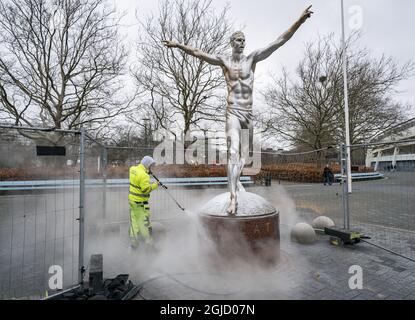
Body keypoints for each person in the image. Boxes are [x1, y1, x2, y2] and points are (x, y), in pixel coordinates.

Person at [163, 6, 313, 214]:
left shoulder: (252, 58)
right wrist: (179, 45)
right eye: (238, 40)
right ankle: (233, 197)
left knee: (244, 156)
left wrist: (300, 20)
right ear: (231, 42)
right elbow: (198, 53)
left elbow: (279, 41)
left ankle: (237, 182)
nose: (242, 44)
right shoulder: (224, 61)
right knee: (233, 151)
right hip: (233, 111)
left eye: (244, 40)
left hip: (248, 114)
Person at [128, 156, 159, 248]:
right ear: (147, 165)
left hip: (132, 201)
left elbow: (138, 180)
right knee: (144, 223)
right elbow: (146, 190)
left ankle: (134, 243)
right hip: (140, 203)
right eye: (151, 166)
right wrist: (156, 185)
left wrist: (147, 171)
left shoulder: (133, 169)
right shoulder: (144, 175)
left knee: (134, 223)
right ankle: (149, 243)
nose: (151, 168)